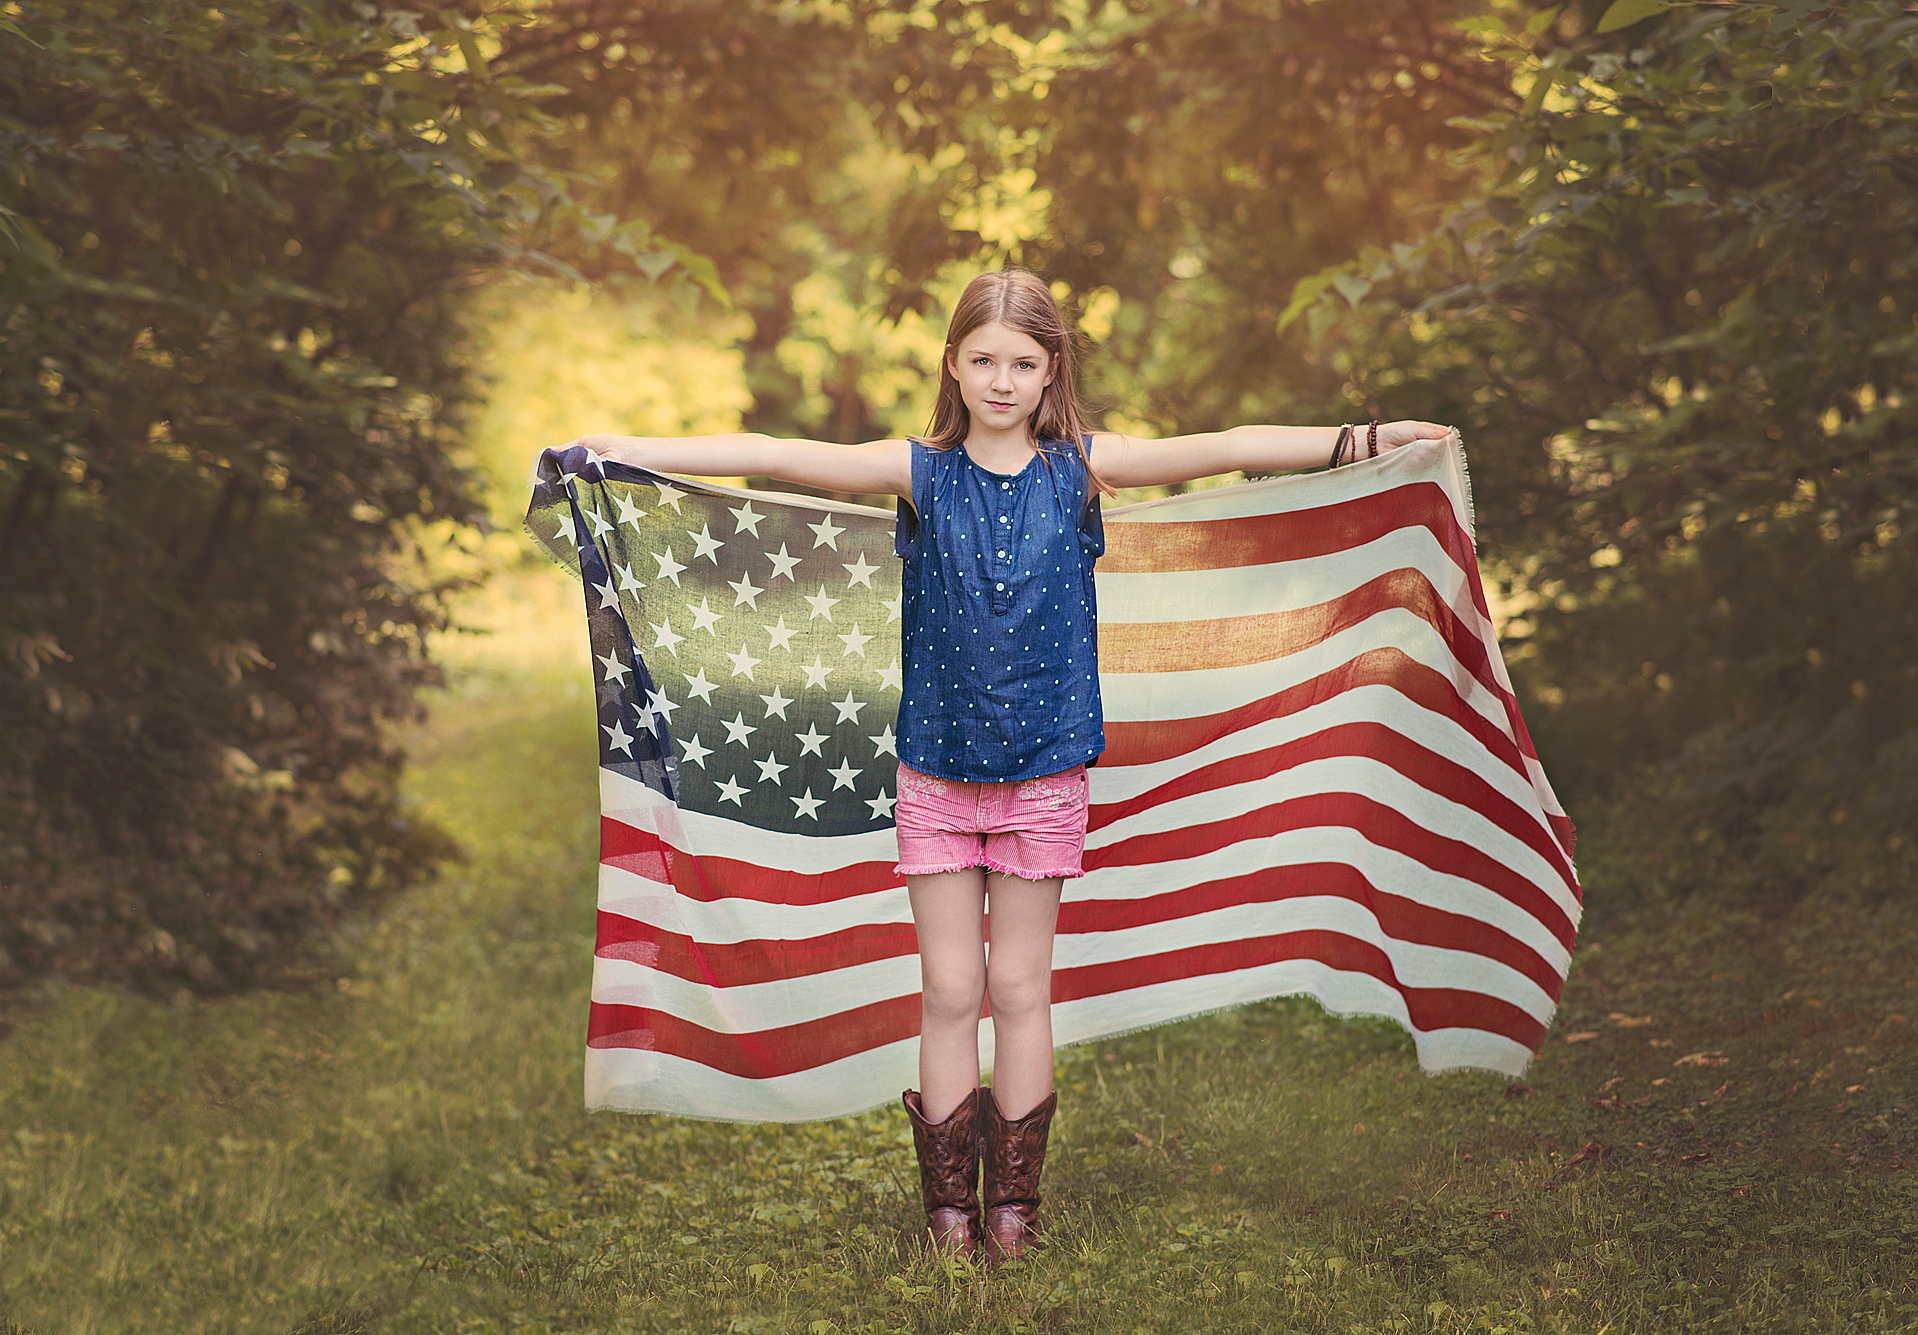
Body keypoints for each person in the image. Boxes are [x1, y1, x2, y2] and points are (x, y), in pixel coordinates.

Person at [567, 268, 1449, 1265]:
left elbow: (1229, 447)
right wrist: (623, 453)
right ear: (952, 364)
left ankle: (1012, 1214)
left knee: (1020, 988)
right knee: (949, 989)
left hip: (1044, 777)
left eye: (1020, 362)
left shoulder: (1078, 469)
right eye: (981, 359)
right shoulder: (919, 474)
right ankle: (947, 1216)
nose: (999, 379)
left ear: (1048, 371)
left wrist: (1369, 440)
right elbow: (779, 455)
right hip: (936, 779)